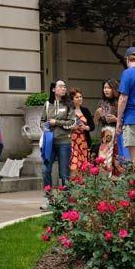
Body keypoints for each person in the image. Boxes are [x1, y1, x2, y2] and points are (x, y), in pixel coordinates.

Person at [40, 80, 75, 209]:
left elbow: (72, 123)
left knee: (64, 173)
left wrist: (57, 122)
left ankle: (66, 201)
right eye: (60, 86)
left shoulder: (68, 105)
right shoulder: (47, 104)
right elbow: (42, 121)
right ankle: (49, 199)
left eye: (64, 86)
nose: (63, 88)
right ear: (53, 89)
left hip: (64, 142)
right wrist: (45, 127)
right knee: (45, 170)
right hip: (49, 143)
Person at [69, 88, 95, 177]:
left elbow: (92, 126)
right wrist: (72, 127)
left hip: (83, 141)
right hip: (72, 141)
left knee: (83, 165)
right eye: (77, 97)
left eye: (80, 97)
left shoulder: (85, 110)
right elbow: (64, 125)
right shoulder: (69, 110)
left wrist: (85, 127)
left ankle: (82, 186)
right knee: (74, 163)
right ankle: (74, 185)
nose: (79, 99)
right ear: (72, 99)